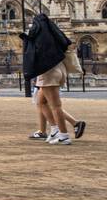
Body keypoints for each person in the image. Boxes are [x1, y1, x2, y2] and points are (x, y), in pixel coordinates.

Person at [23, 12, 85, 145]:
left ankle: (64, 135)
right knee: (40, 101)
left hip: (48, 72)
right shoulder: (54, 35)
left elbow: (31, 54)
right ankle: (55, 129)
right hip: (60, 69)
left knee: (55, 105)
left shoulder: (40, 38)